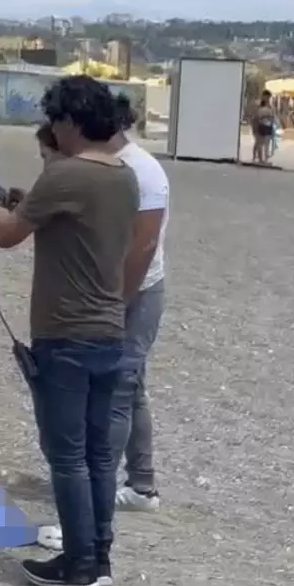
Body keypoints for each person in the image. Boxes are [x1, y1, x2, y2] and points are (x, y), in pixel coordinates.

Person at [0, 75, 139, 586]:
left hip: (65, 331)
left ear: (68, 122)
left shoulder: (65, 174)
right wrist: (26, 204)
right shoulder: (124, 174)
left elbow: (6, 234)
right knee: (99, 456)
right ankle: (98, 557)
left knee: (67, 456)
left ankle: (78, 565)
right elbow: (72, 226)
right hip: (109, 328)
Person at [109, 96, 170, 515]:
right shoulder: (110, 165)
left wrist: (119, 300)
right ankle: (142, 484)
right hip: (121, 288)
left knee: (120, 384)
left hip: (139, 289)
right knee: (131, 386)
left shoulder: (141, 169)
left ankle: (100, 483)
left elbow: (144, 245)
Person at [251, 90, 276, 165]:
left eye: (269, 97)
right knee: (259, 142)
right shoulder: (257, 105)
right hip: (258, 125)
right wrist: (254, 127)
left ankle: (264, 159)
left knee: (265, 143)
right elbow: (254, 117)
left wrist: (272, 125)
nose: (268, 98)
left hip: (267, 126)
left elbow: (272, 116)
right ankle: (259, 159)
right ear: (263, 96)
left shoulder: (271, 106)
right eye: (266, 97)